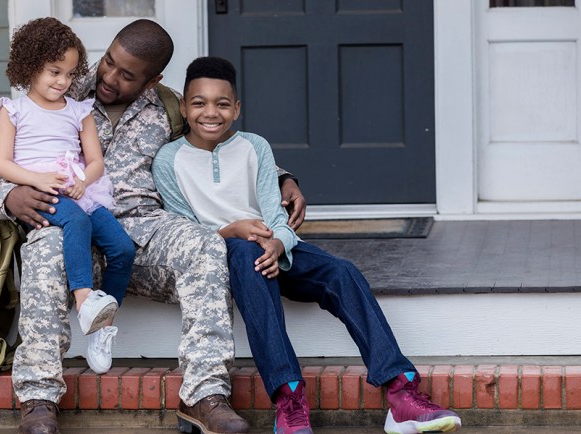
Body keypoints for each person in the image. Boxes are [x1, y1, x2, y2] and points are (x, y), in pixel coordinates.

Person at [0, 19, 308, 434]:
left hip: (145, 231)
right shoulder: (63, 85)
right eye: (108, 62)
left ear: (152, 80)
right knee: (43, 250)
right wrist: (9, 196)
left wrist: (281, 177)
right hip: (72, 230)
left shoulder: (169, 107)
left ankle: (204, 394)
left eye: (127, 75)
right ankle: (38, 399)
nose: (109, 77)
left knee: (205, 245)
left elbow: (220, 143)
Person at [152, 56, 463, 434]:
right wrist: (230, 231)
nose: (210, 112)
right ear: (184, 108)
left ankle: (401, 390)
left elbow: (275, 214)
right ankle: (289, 398)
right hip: (222, 255)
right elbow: (184, 231)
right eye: (199, 103)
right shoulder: (168, 160)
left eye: (222, 103)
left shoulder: (254, 147)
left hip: (274, 247)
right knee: (247, 254)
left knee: (341, 272)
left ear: (237, 108)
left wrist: (278, 244)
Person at [0, 17, 135, 376]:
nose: (62, 82)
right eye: (54, 72)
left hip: (78, 192)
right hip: (41, 194)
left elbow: (96, 161)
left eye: (70, 74)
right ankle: (84, 300)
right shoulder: (14, 111)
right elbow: (3, 164)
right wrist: (36, 180)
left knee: (122, 248)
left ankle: (101, 329)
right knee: (75, 220)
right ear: (30, 66)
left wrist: (83, 181)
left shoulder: (78, 111)